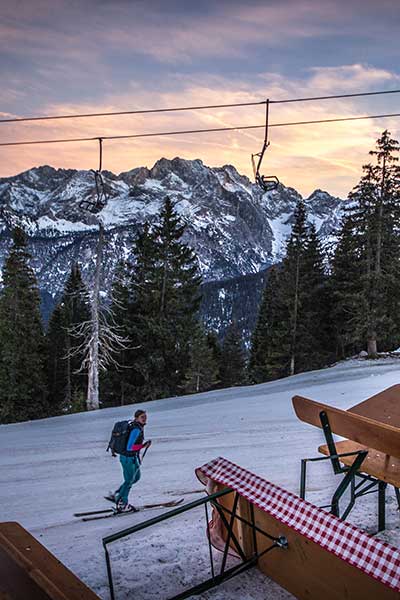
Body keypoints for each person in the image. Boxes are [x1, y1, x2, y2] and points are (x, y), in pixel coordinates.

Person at [107, 409, 151, 513]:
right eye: (142, 417)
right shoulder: (136, 429)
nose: (144, 419)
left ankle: (118, 494)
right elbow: (130, 447)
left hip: (132, 457)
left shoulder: (137, 427)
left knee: (136, 477)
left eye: (145, 417)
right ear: (136, 418)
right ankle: (123, 503)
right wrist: (143, 446)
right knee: (129, 480)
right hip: (127, 458)